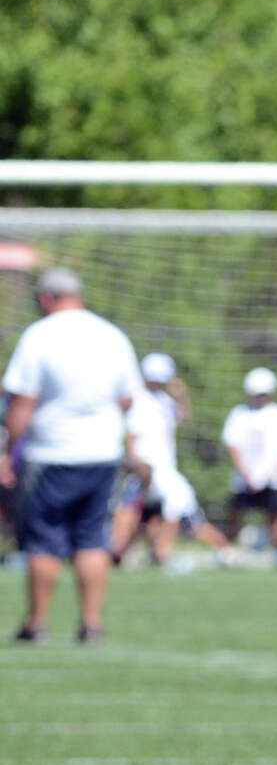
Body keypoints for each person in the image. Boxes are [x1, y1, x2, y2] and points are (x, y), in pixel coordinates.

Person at [1, 266, 142, 643]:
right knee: (92, 537)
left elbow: (22, 402)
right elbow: (127, 398)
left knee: (43, 539)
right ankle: (91, 624)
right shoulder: (112, 336)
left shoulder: (39, 337)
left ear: (46, 298)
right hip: (101, 454)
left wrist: (6, 450)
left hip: (51, 453)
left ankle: (38, 622)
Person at [110, 353, 232, 568]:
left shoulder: (166, 402)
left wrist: (182, 396)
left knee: (172, 508)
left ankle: (162, 551)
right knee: (132, 513)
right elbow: (131, 436)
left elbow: (184, 419)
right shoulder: (138, 399)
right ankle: (134, 552)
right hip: (145, 470)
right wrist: (138, 464)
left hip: (164, 471)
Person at [221, 367, 277, 557]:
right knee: (235, 515)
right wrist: (246, 473)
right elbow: (232, 445)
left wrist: (276, 471)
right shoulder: (239, 413)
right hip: (245, 478)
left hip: (273, 478)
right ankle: (226, 551)